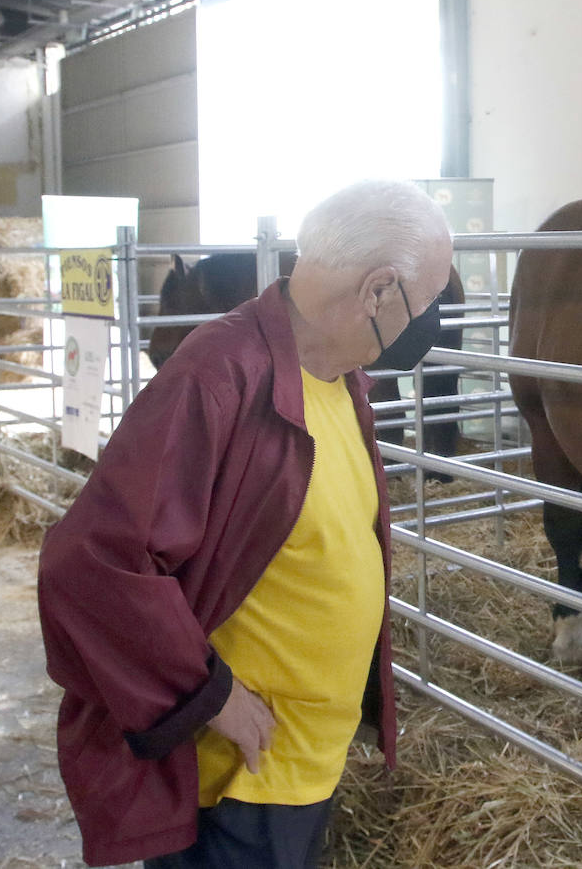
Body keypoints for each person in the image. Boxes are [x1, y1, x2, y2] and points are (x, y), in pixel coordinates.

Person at [37, 179, 454, 867]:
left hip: (303, 762)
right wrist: (207, 696)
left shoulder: (338, 376)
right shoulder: (219, 377)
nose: (431, 321)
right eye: (429, 298)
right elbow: (93, 562)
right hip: (239, 780)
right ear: (377, 291)